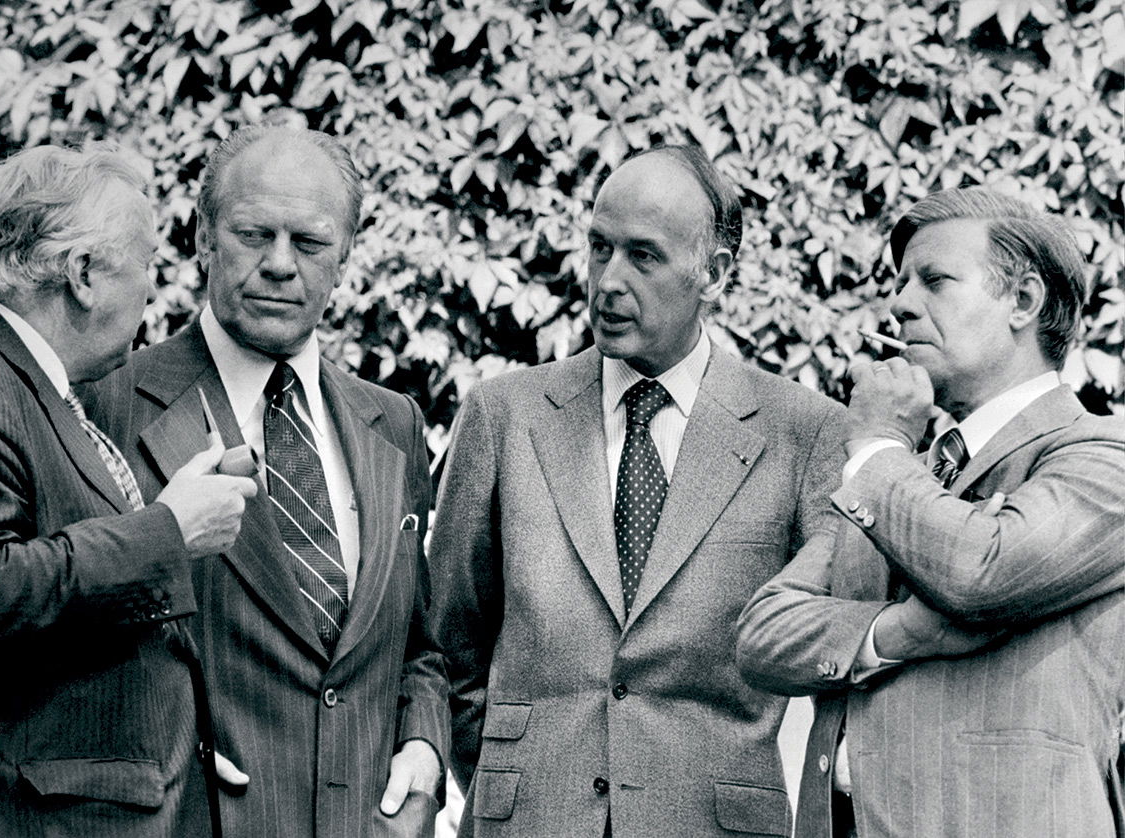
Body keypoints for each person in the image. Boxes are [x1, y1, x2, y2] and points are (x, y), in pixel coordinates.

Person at [429, 143, 847, 837]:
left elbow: (823, 646)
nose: (607, 281)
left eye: (643, 257)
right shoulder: (504, 416)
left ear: (713, 273)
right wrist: (520, 782)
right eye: (599, 248)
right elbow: (450, 643)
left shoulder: (802, 433)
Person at [86, 123, 449, 837]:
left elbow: (417, 646)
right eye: (254, 234)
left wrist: (424, 748)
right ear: (202, 238)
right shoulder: (107, 403)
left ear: (345, 255)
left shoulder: (395, 422)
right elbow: (51, 621)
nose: (281, 264)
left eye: (309, 243)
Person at [736, 187, 1124, 837]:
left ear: (1023, 302)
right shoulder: (898, 473)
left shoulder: (1100, 457)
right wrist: (896, 633)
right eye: (900, 282)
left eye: (935, 280)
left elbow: (981, 567)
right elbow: (761, 635)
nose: (899, 303)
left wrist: (879, 447)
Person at [0, 145, 256, 836]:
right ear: (82, 274)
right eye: (147, 267)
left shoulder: (31, 382)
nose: (152, 292)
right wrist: (167, 532)